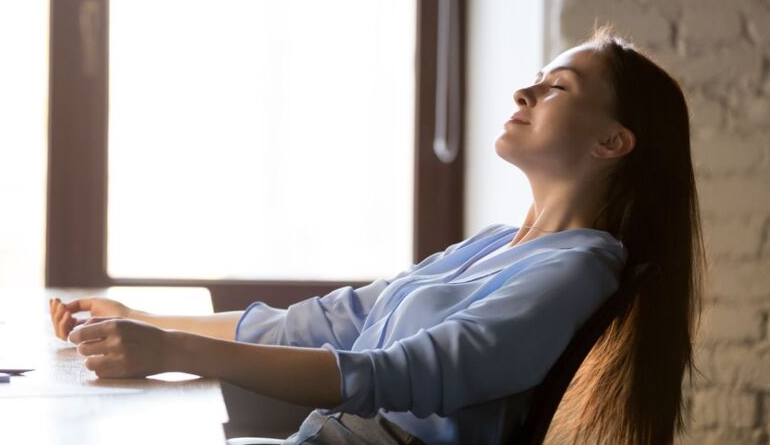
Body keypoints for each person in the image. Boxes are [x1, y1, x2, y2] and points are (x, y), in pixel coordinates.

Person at [49, 27, 704, 445]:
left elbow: (393, 375)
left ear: (611, 143)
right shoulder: (497, 244)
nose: (525, 90)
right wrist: (143, 318)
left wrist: (174, 350)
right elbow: (339, 320)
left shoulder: (576, 272)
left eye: (557, 86)